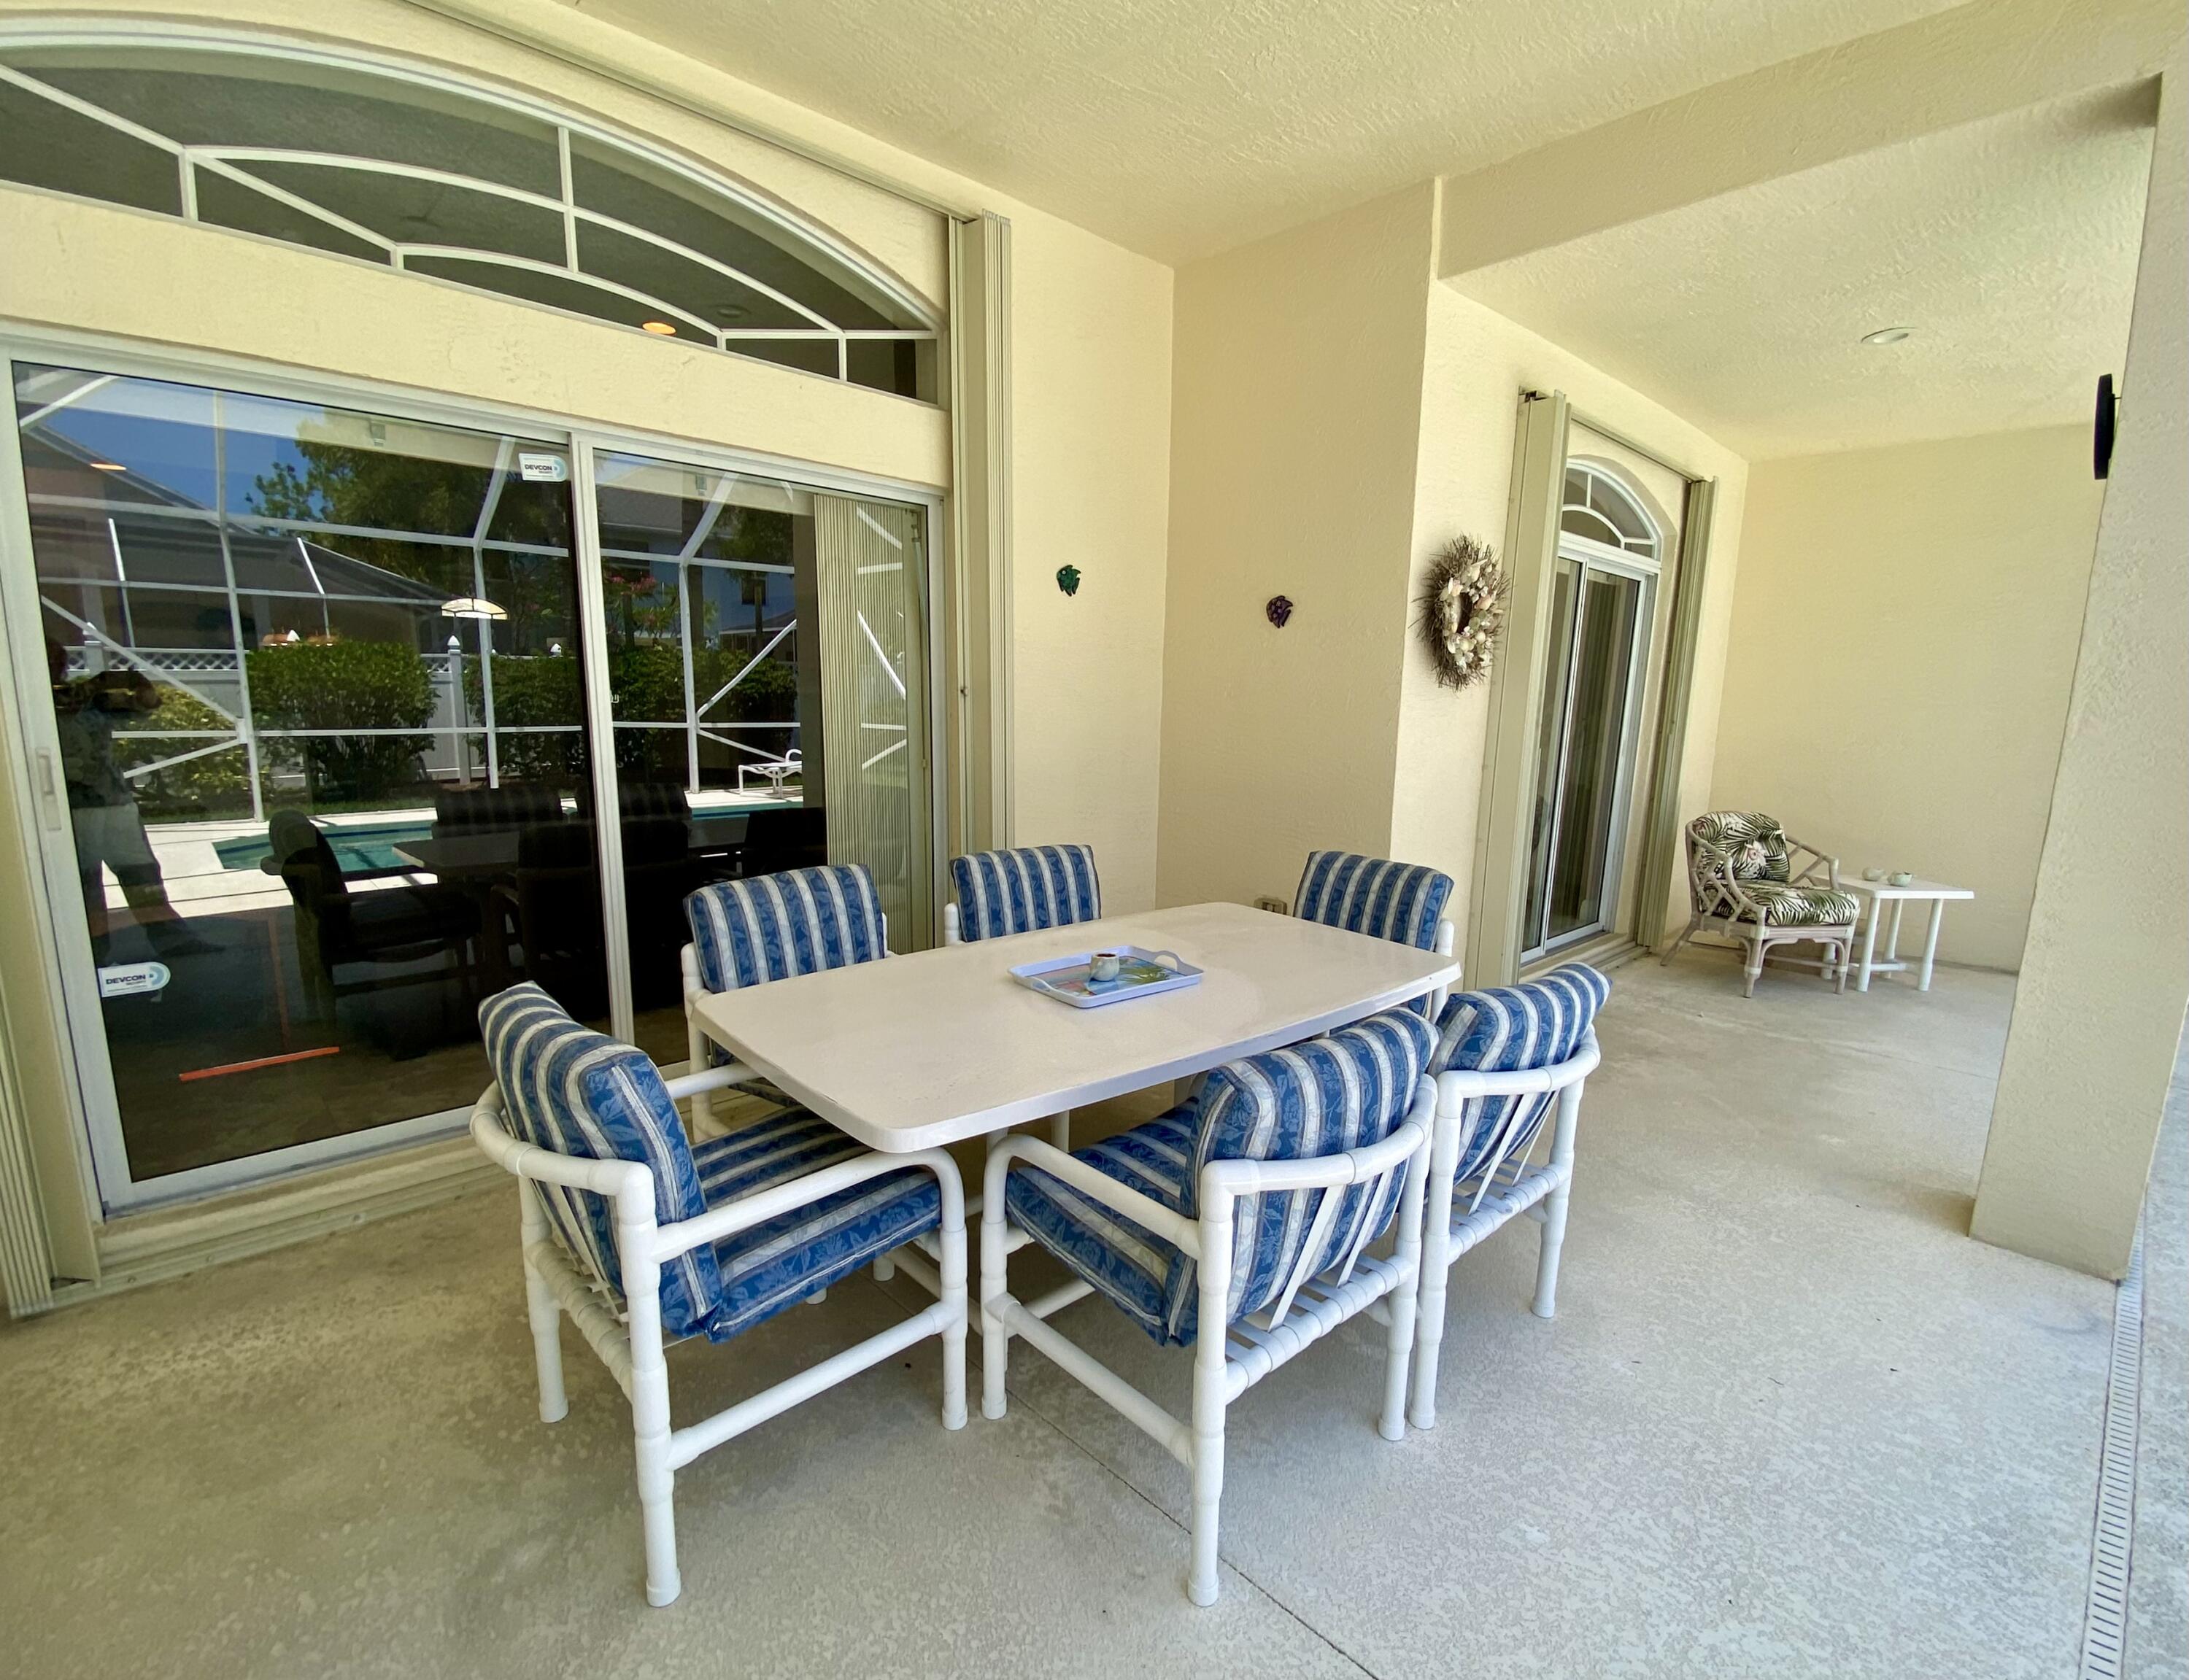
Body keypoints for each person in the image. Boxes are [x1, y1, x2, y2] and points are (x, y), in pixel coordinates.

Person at [47, 638, 216, 962]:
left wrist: (134, 683)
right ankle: (93, 956)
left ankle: (173, 941)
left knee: (143, 874)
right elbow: (62, 706)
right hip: (72, 808)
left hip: (114, 801)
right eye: (52, 660)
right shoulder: (31, 698)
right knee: (86, 884)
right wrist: (98, 684)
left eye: (60, 660)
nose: (59, 666)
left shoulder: (91, 700)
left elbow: (147, 704)